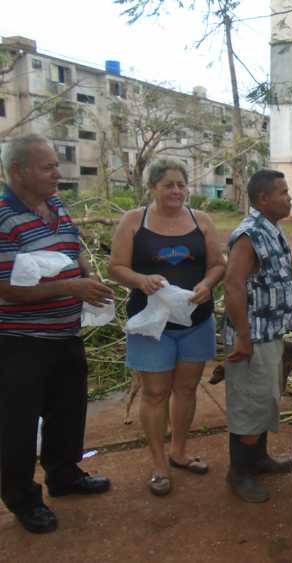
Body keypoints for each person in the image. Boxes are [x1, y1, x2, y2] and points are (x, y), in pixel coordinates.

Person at [0, 134, 114, 533]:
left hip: (66, 333)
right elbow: (7, 289)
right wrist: (71, 288)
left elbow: (73, 246)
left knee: (68, 411)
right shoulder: (2, 216)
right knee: (17, 424)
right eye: (48, 167)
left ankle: (64, 476)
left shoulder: (55, 205)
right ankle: (22, 499)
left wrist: (88, 276)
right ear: (19, 171)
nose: (57, 173)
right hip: (19, 343)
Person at [109, 159, 225, 496]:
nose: (176, 191)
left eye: (181, 185)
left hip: (195, 321)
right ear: (153, 188)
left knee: (187, 390)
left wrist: (207, 285)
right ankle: (159, 465)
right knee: (156, 392)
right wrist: (140, 280)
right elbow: (116, 266)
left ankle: (179, 451)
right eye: (168, 185)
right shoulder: (134, 221)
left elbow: (218, 264)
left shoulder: (200, 221)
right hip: (151, 325)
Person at [223, 169, 292, 503]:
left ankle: (259, 459)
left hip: (269, 333)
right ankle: (239, 473)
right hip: (251, 337)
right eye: (283, 192)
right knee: (248, 404)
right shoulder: (249, 234)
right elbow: (232, 284)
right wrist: (242, 336)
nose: (289, 197)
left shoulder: (271, 230)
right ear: (264, 199)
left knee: (264, 399)